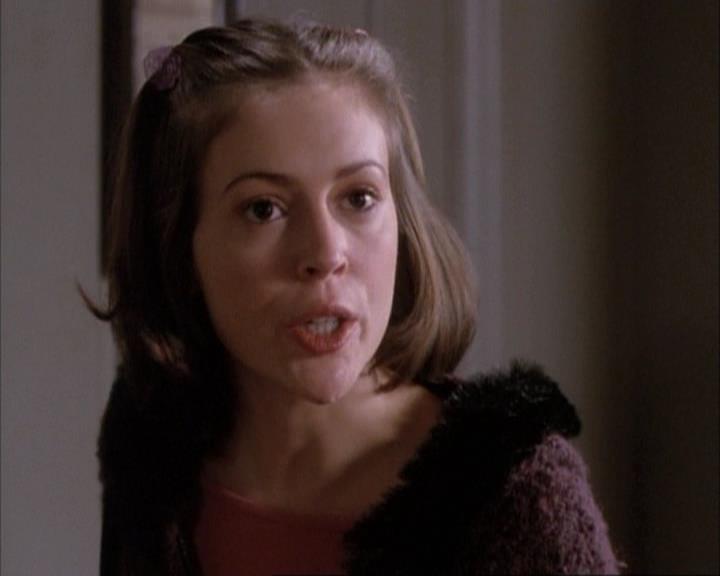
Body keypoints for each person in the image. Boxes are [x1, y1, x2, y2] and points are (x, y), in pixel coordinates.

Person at [91, 17, 622, 576]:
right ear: (179, 249)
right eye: (263, 209)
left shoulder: (513, 491)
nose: (325, 253)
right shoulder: (154, 451)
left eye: (359, 198)